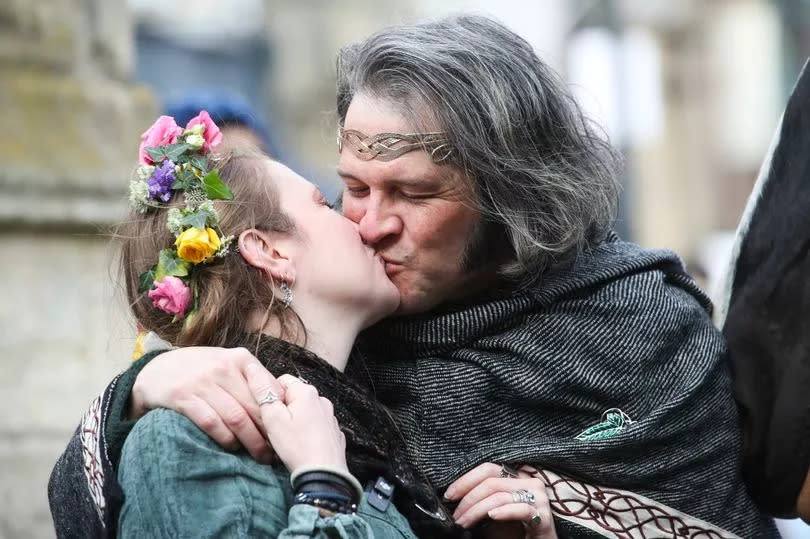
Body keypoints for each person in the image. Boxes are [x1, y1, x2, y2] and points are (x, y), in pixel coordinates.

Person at [50, 15, 776, 537]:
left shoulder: (642, 327)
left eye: (414, 193)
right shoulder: (330, 344)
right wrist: (136, 389)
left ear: (509, 195)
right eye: (351, 188)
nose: (369, 222)